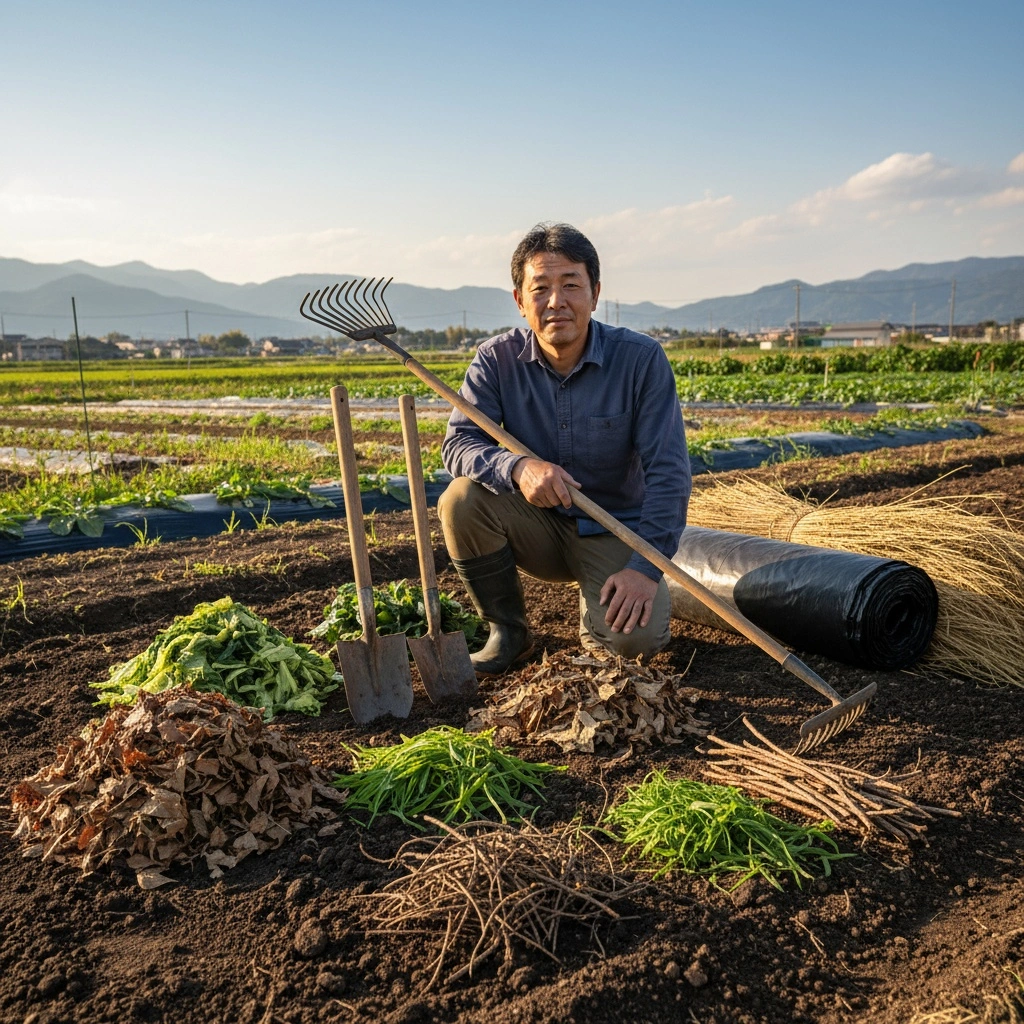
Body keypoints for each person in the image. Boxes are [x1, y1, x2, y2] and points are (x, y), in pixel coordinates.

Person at [438, 222, 691, 675]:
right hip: (537, 526)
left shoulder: (640, 360)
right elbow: (459, 443)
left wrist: (643, 569)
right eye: (541, 288)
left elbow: (669, 474)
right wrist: (518, 468)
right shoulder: (495, 360)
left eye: (571, 285)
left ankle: (599, 608)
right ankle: (508, 632)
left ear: (595, 294)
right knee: (460, 499)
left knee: (634, 645)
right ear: (520, 301)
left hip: (614, 528)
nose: (556, 301)